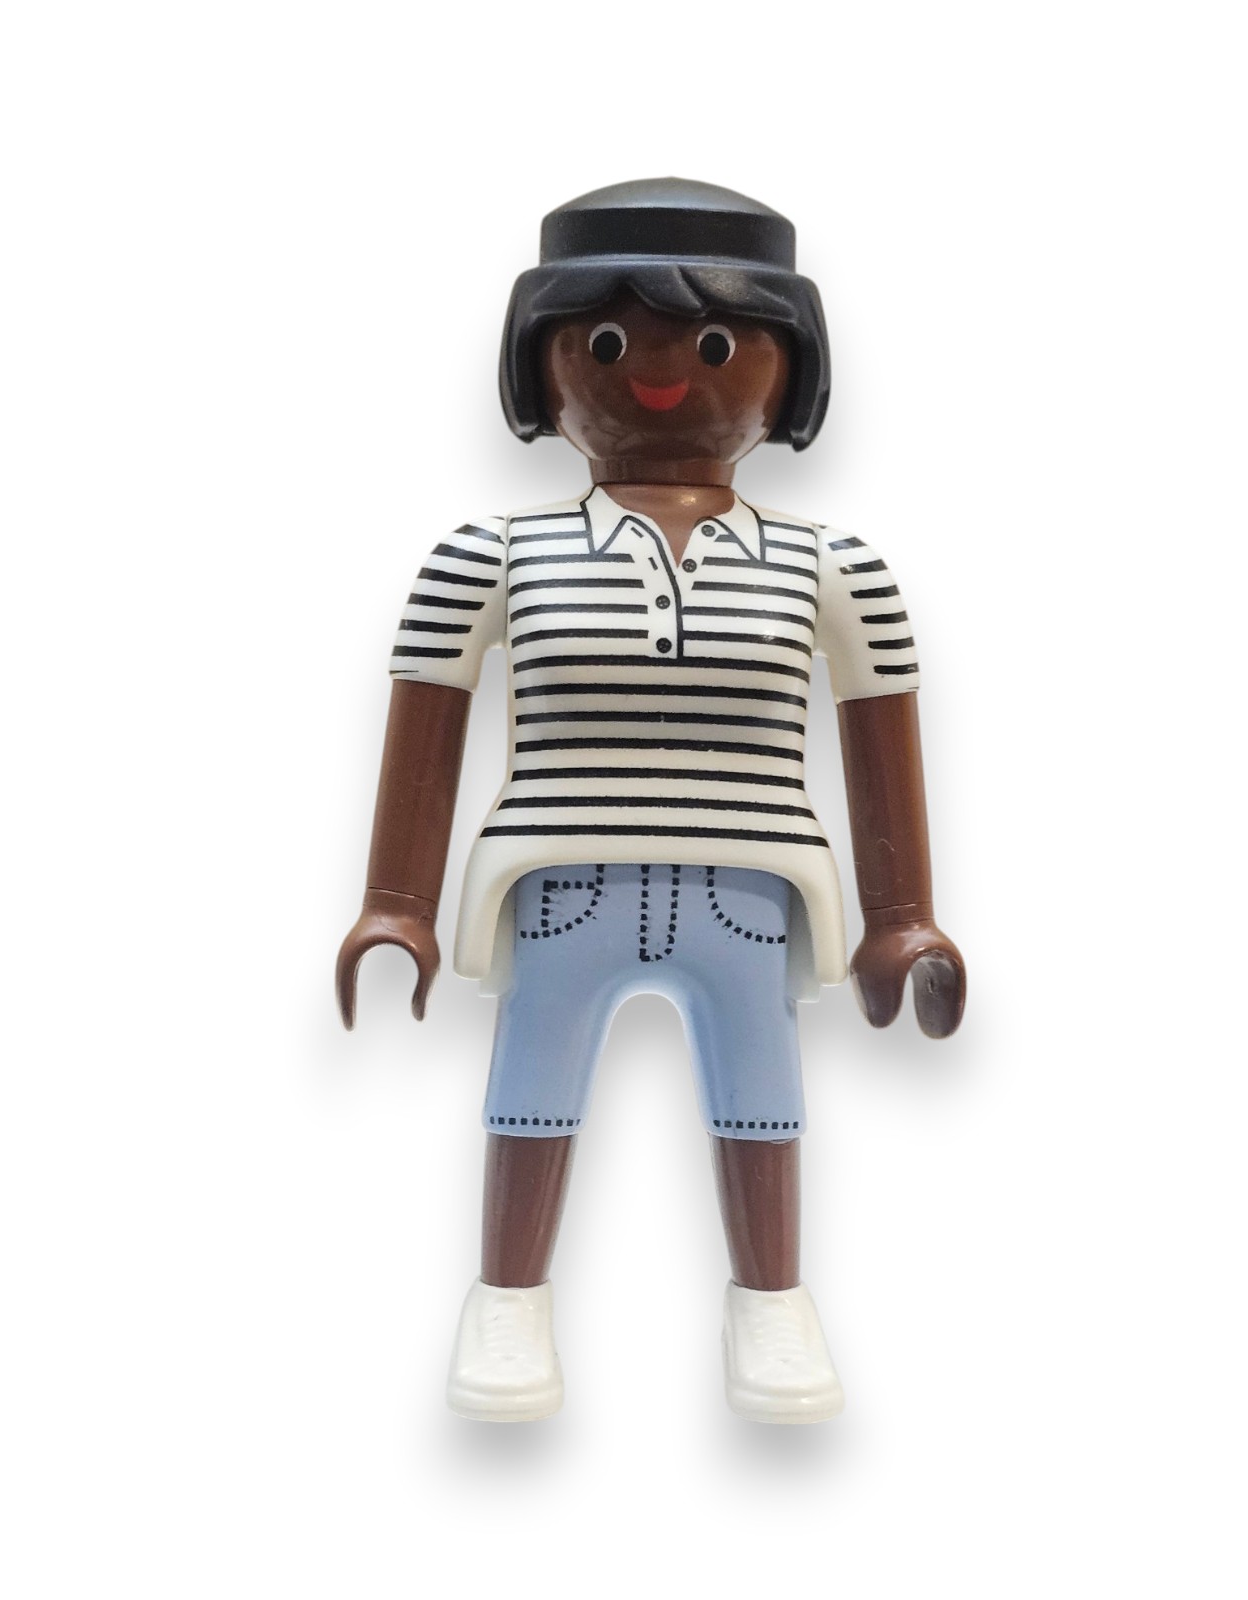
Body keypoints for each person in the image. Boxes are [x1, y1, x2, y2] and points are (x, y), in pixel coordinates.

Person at [336, 177, 965, 1423]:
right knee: (533, 1083)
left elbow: (881, 739)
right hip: (558, 878)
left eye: (717, 345)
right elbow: (426, 724)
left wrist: (902, 916)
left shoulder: (833, 568)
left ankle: (772, 1300)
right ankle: (508, 1297)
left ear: (788, 371)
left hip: (751, 886)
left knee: (759, 1092)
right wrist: (395, 900)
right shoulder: (489, 557)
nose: (664, 373)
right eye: (610, 343)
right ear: (543, 362)